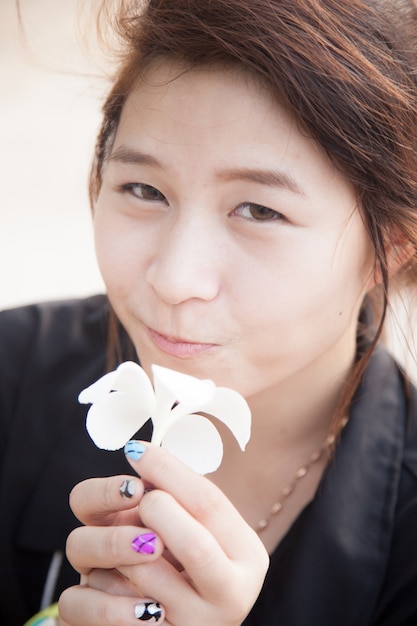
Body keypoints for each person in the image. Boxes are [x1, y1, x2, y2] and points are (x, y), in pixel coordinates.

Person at [1, 0, 417, 623]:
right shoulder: (11, 376)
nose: (173, 279)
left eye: (258, 210)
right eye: (144, 190)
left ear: (389, 245)